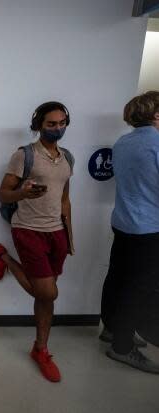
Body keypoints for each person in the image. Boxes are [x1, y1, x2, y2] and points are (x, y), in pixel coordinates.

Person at [0, 101, 74, 382]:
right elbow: (3, 194)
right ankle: (3, 257)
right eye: (52, 124)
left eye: (62, 123)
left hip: (56, 232)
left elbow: (64, 199)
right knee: (48, 293)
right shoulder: (24, 156)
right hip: (27, 229)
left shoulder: (67, 158)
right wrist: (22, 193)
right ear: (39, 125)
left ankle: (41, 349)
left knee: (45, 293)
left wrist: (69, 237)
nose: (58, 128)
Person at [100, 91, 159, 374]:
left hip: (123, 221)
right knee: (137, 287)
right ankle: (123, 347)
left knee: (117, 278)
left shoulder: (123, 143)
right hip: (149, 226)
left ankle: (111, 329)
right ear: (156, 115)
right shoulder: (157, 143)